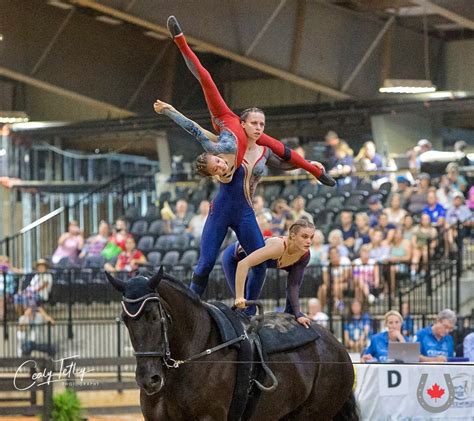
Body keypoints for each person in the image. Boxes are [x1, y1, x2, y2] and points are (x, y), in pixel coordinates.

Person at [164, 16, 335, 186]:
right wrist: (308, 165)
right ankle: (316, 172)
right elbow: (283, 162)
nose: (221, 167)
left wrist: (169, 110)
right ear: (212, 175)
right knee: (278, 148)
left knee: (206, 80)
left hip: (224, 118)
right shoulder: (226, 174)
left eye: (217, 164)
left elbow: (194, 129)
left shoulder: (218, 149)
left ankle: (180, 41)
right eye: (217, 169)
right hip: (230, 138)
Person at [224, 219, 315, 325]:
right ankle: (248, 314)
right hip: (234, 258)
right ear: (293, 236)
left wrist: (297, 314)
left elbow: (293, 285)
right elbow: (243, 264)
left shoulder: (304, 255)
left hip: (255, 265)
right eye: (304, 236)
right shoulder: (278, 247)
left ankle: (289, 311)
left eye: (311, 237)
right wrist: (239, 297)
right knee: (259, 271)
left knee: (260, 268)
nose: (309, 241)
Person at [318, 246, 352, 312]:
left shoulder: (345, 260)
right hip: (332, 284)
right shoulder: (327, 264)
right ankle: (322, 309)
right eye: (331, 253)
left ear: (338, 253)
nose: (334, 255)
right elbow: (325, 280)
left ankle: (337, 308)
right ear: (329, 255)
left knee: (337, 287)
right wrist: (331, 285)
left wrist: (336, 281)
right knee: (322, 288)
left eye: (335, 253)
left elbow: (346, 276)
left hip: (346, 283)